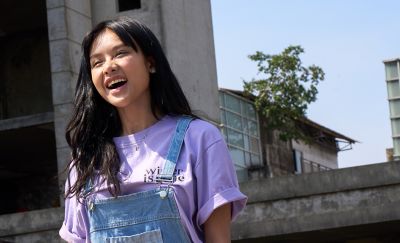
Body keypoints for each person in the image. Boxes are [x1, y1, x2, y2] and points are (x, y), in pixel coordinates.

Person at [59, 16, 247, 243]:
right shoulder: (84, 159)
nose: (108, 66)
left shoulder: (200, 139)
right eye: (97, 62)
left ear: (151, 63)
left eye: (120, 53)